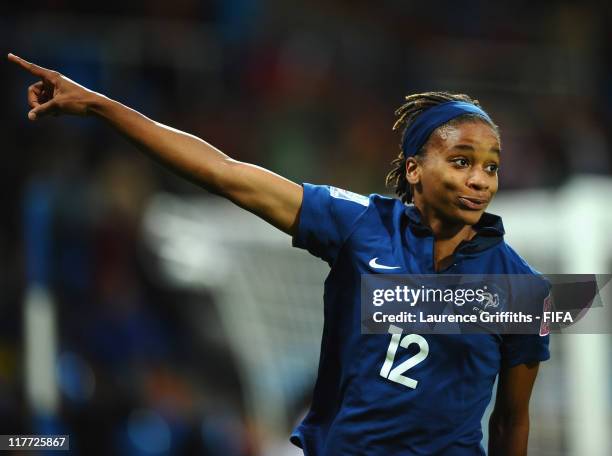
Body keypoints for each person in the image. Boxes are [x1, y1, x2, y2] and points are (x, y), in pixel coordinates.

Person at [9, 53, 549, 455]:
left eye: (491, 167)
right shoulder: (360, 225)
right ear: (414, 169)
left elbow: (510, 421)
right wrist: (100, 106)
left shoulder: (518, 288)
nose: (480, 180)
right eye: (461, 161)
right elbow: (224, 172)